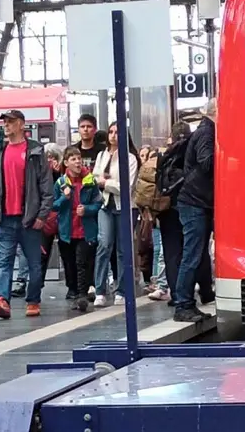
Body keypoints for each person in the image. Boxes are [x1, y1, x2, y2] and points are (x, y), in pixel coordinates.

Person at [0, 108, 57, 320]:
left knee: (34, 264)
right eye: (5, 122)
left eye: (11, 122)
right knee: (4, 261)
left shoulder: (35, 152)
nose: (6, 125)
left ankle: (33, 300)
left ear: (22, 125)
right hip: (5, 218)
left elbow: (46, 185)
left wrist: (42, 216)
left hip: (30, 219)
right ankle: (2, 300)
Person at [170, 101, 218, 323]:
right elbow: (207, 163)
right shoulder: (207, 133)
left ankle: (187, 302)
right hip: (194, 202)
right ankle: (183, 304)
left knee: (195, 254)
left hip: (197, 201)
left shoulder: (205, 131)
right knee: (192, 254)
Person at [92, 122, 137, 307]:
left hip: (124, 207)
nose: (113, 135)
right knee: (104, 244)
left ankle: (122, 290)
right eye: (110, 132)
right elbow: (95, 178)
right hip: (105, 205)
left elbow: (126, 186)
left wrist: (106, 183)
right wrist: (105, 182)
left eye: (117, 132)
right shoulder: (101, 155)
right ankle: (99, 289)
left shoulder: (130, 158)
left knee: (122, 249)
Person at [54, 145, 100, 312]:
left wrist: (86, 210)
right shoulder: (60, 183)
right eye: (73, 159)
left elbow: (98, 203)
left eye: (79, 158)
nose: (78, 162)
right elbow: (54, 205)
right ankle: (73, 290)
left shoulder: (89, 181)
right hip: (67, 230)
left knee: (82, 261)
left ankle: (81, 294)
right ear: (66, 163)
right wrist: (64, 199)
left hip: (85, 229)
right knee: (69, 262)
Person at [131, 127, 166, 297]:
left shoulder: (152, 173)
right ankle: (156, 280)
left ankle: (159, 282)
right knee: (151, 248)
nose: (143, 159)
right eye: (141, 156)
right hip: (148, 218)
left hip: (154, 217)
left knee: (159, 249)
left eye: (145, 156)